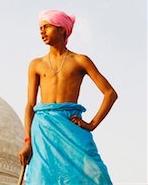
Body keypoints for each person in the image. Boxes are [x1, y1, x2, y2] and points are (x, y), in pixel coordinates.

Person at [19, 10, 118, 184]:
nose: (42, 31)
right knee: (43, 176)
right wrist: (27, 140)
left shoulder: (80, 61)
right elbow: (30, 105)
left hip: (71, 125)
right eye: (40, 28)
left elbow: (110, 93)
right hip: (43, 128)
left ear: (62, 29)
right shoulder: (36, 64)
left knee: (97, 175)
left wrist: (92, 124)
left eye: (47, 27)